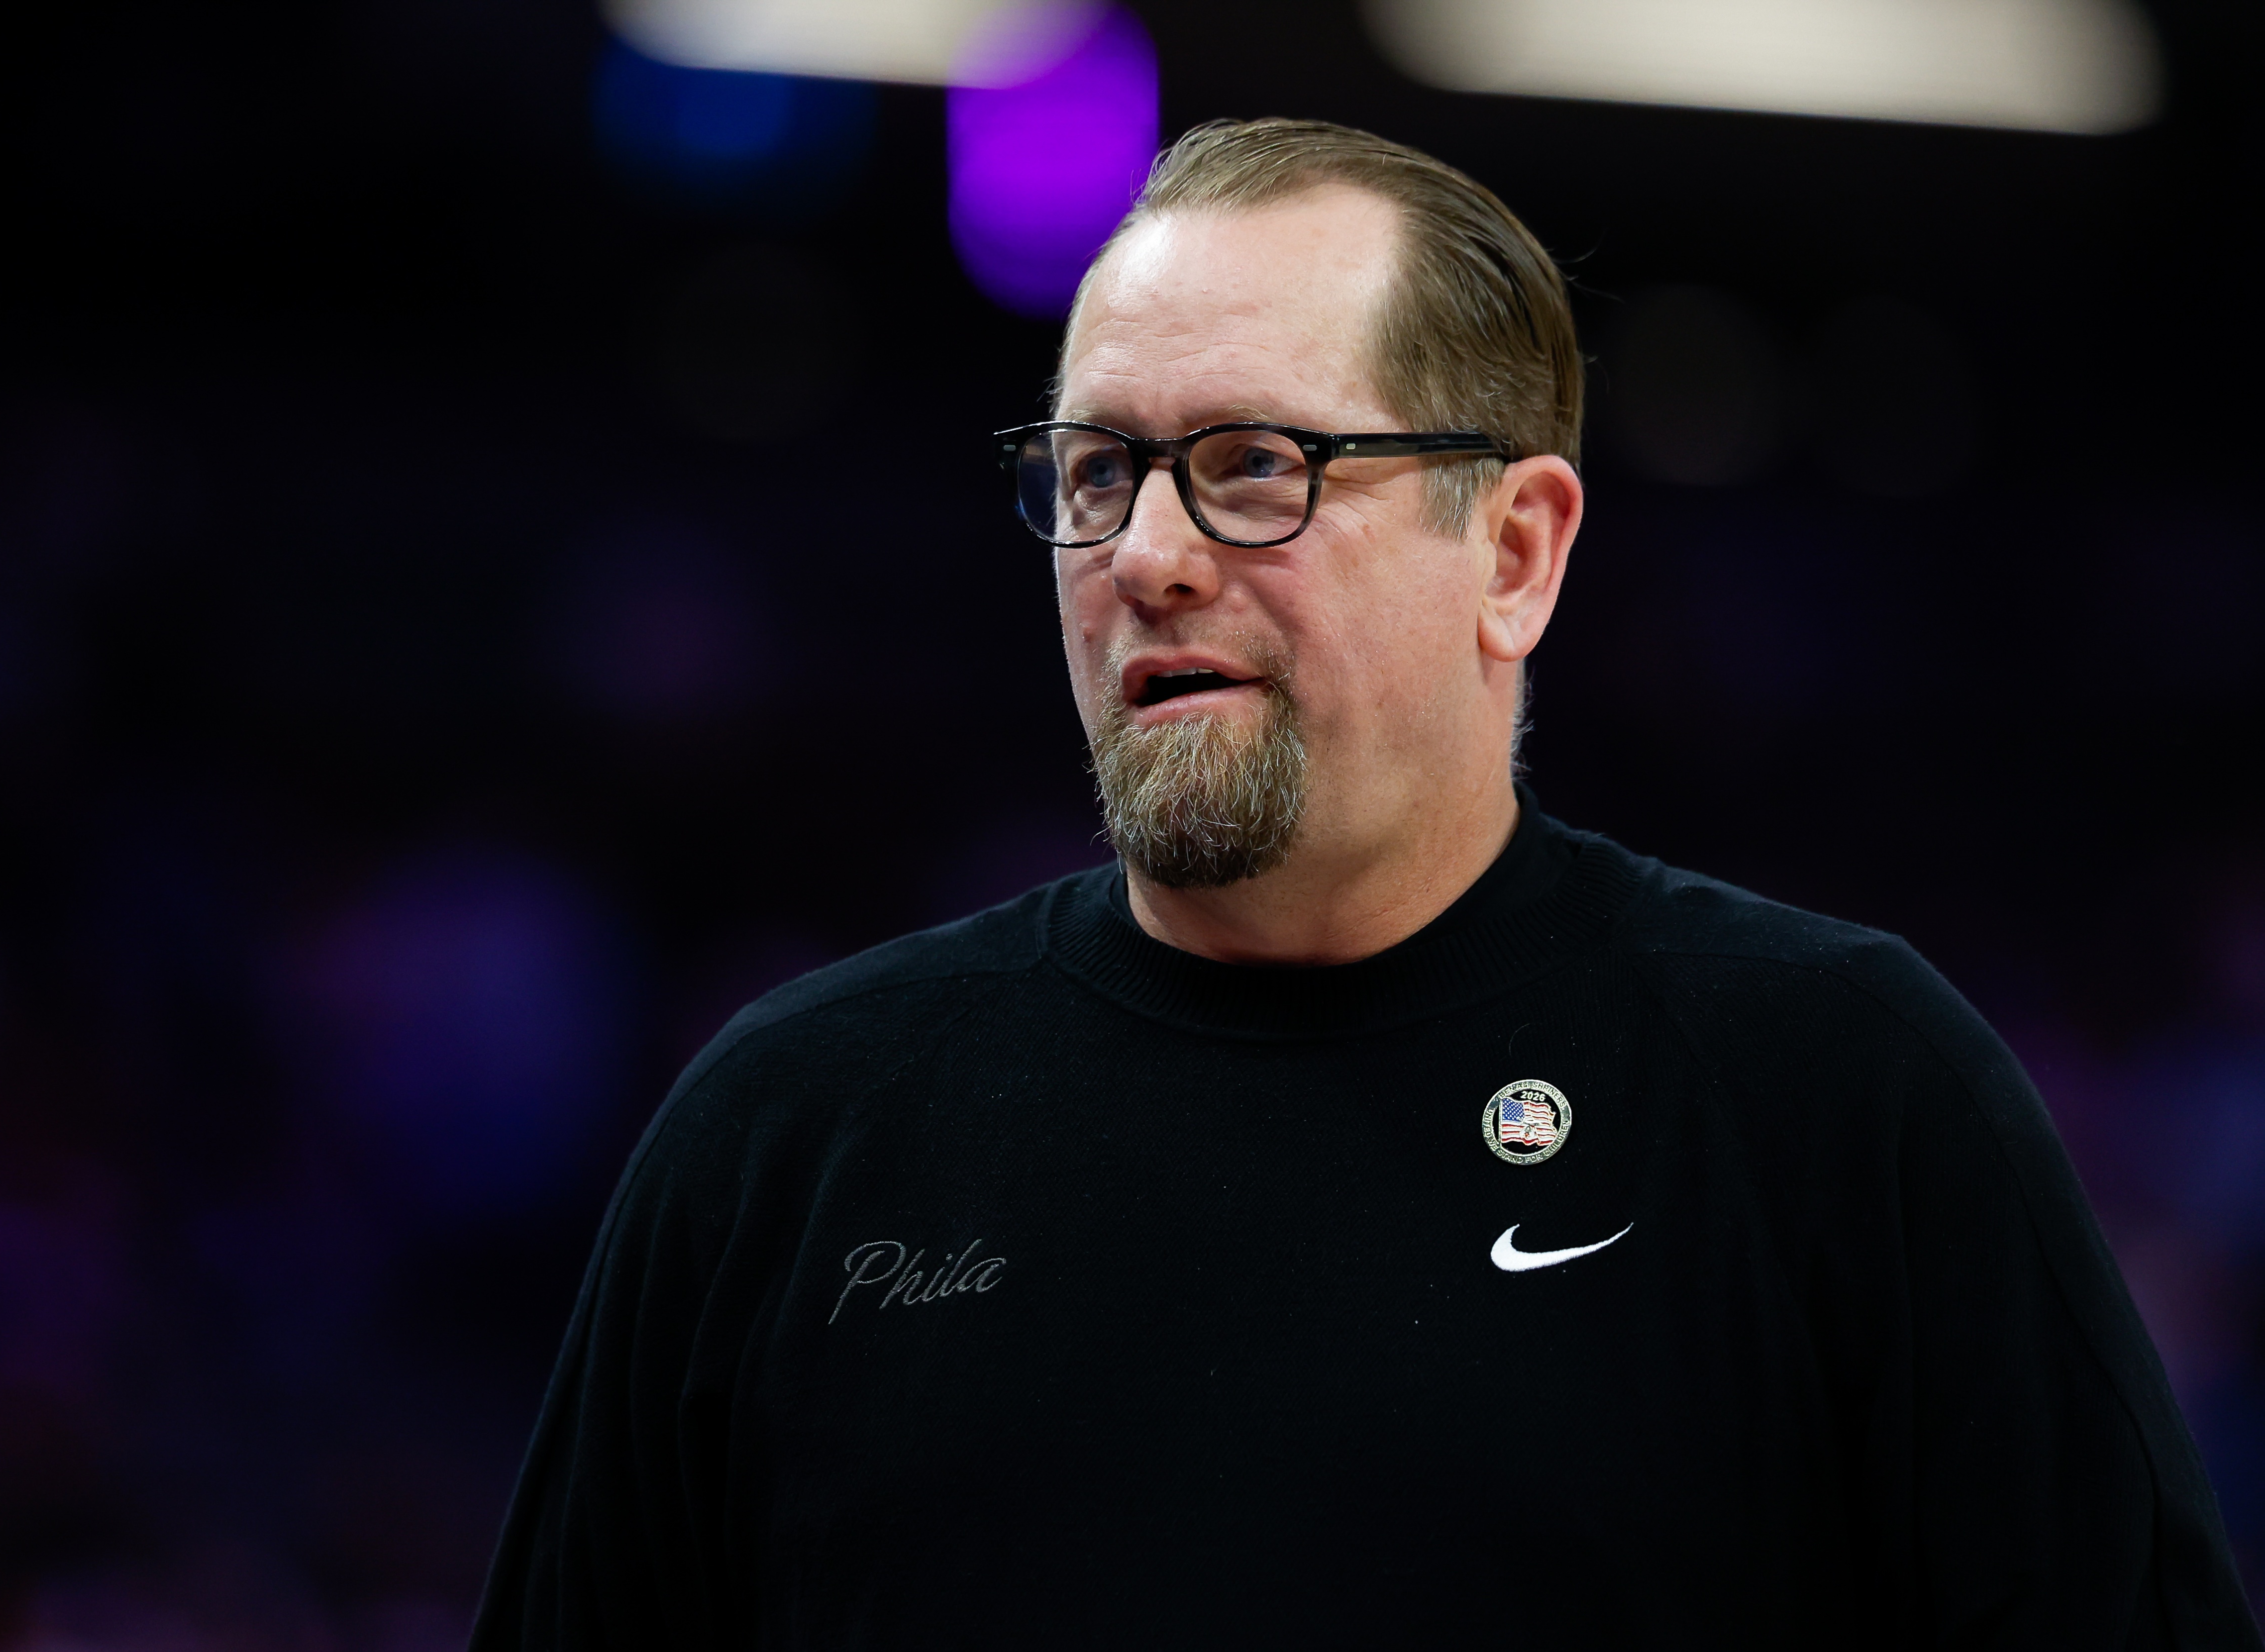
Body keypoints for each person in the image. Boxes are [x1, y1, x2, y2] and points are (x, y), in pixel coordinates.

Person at [470, 119, 2259, 1649]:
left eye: (1255, 465)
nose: (1146, 555)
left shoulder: (1844, 1098)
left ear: (1515, 551)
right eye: (1095, 472)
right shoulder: (792, 1134)